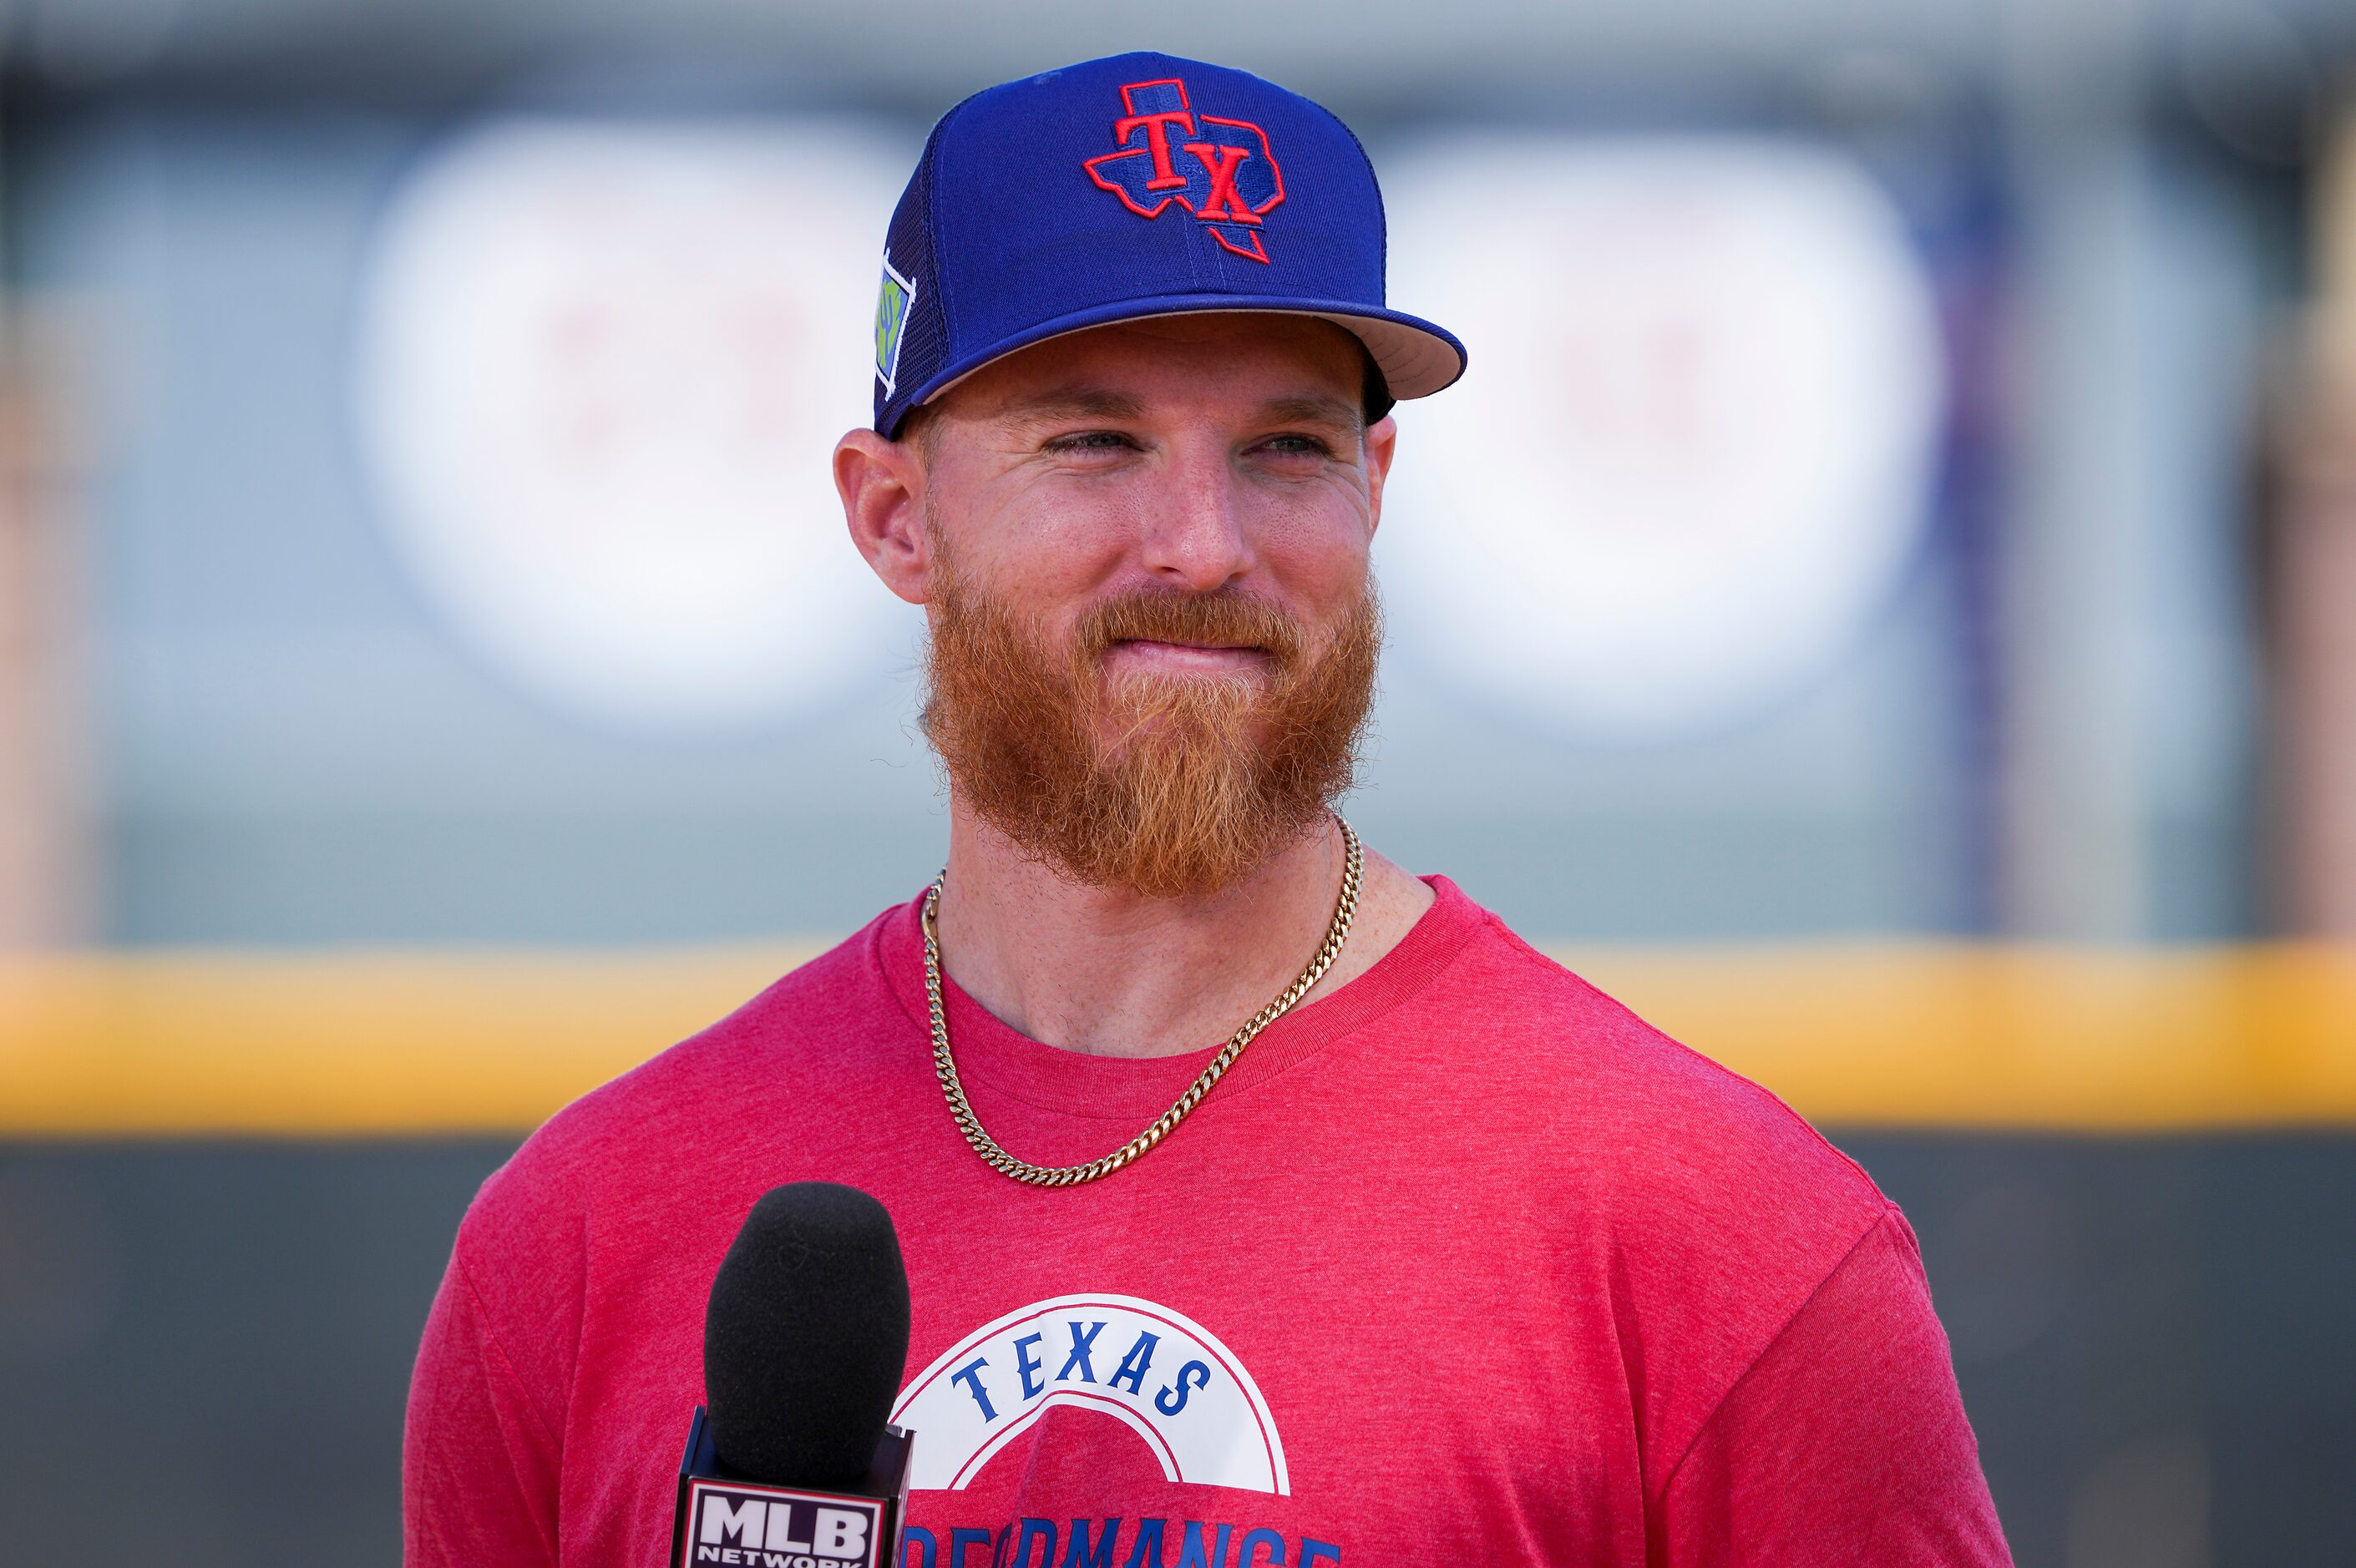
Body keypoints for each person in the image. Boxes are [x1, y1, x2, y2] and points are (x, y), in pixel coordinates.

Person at [403, 51, 2013, 1567]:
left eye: (1285, 447)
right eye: (1093, 440)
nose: (1200, 542)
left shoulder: (1720, 1242)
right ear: (897, 519)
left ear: (1374, 491)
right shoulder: (586, 1236)